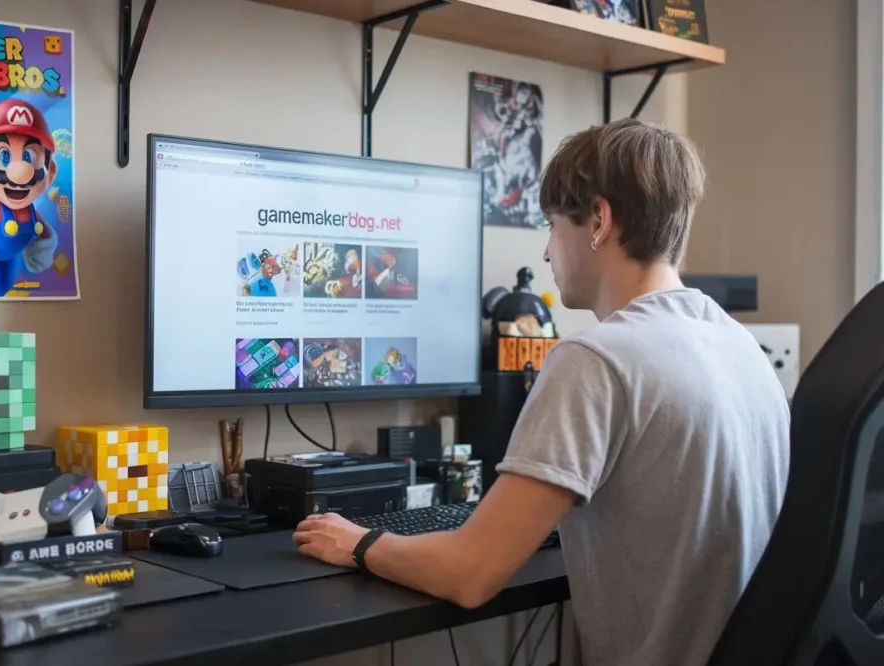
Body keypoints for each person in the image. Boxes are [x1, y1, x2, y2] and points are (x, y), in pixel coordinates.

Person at [292, 118, 791, 666]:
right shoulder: (738, 344)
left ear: (598, 220)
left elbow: (471, 573)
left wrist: (358, 543)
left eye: (553, 226)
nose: (549, 254)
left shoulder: (596, 359)